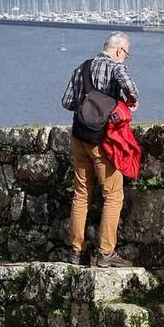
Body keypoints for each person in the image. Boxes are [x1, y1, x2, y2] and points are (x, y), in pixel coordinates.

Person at [61, 32, 138, 269]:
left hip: (79, 135)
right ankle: (105, 253)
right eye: (126, 54)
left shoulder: (81, 68)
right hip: (103, 138)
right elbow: (131, 88)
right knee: (113, 195)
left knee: (81, 193)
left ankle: (76, 250)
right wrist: (129, 102)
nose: (125, 58)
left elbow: (67, 102)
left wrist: (88, 104)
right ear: (118, 51)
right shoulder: (116, 67)